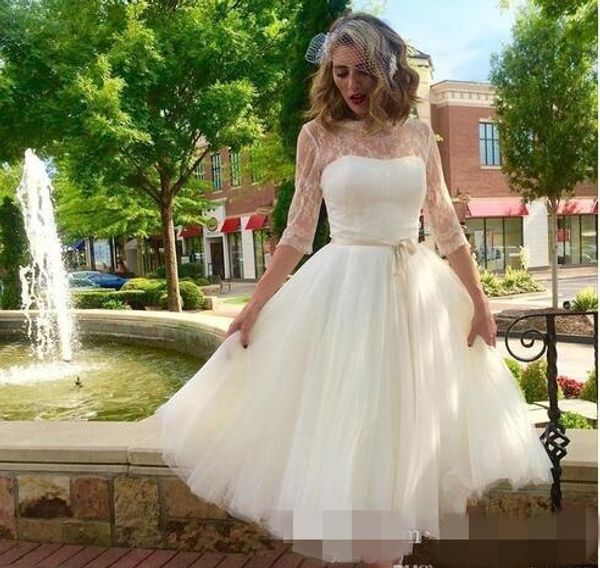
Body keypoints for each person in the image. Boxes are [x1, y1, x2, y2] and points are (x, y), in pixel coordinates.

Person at [154, 12, 553, 567]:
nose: (351, 84)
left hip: (415, 299)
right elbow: (296, 234)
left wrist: (481, 306)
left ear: (388, 68)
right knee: (356, 431)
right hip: (343, 299)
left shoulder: (418, 135)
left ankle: (386, 557)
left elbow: (446, 227)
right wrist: (254, 306)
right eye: (340, 72)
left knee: (404, 436)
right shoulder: (317, 136)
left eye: (362, 71)